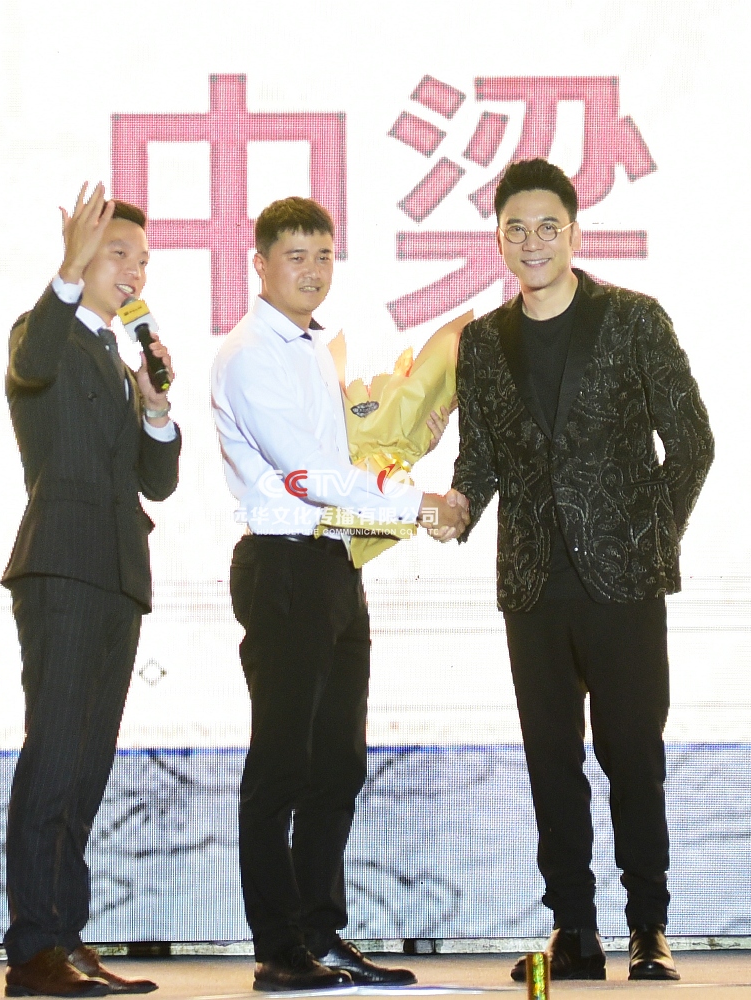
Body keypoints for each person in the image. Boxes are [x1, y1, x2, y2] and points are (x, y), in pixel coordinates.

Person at [443, 159, 713, 982]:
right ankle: (574, 930)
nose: (531, 242)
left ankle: (648, 928)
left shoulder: (632, 320)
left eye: (546, 227)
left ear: (574, 232)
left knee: (632, 756)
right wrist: (454, 506)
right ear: (498, 240)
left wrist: (646, 535)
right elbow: (479, 461)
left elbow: (691, 442)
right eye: (514, 229)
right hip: (531, 587)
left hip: (622, 585)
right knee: (550, 763)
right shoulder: (480, 344)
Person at [211, 196, 468, 991]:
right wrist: (415, 502)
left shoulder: (316, 350)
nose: (313, 271)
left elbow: (343, 456)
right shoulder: (250, 353)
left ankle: (320, 935)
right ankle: (277, 949)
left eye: (323, 256)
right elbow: (306, 473)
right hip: (283, 566)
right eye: (295, 256)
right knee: (282, 765)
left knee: (338, 765)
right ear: (260, 264)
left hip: (332, 566)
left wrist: (406, 447)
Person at [1, 182, 181, 997]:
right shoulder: (41, 333)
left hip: (118, 574)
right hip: (63, 565)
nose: (133, 271)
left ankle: (66, 938)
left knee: (87, 765)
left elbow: (157, 481)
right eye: (118, 253)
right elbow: (33, 360)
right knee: (56, 754)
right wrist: (68, 270)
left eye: (142, 260)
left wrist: (154, 411)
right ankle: (36, 947)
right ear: (81, 256)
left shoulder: (115, 358)